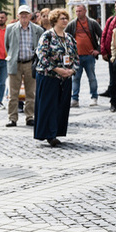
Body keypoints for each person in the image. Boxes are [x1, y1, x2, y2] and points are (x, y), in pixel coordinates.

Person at [34, 9, 77, 147]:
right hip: (49, 76)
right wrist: (57, 69)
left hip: (65, 78)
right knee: (49, 106)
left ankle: (57, 131)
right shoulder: (47, 36)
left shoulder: (69, 37)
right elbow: (42, 55)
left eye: (66, 18)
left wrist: (71, 71)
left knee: (61, 106)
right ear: (55, 20)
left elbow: (76, 56)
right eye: (62, 18)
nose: (65, 20)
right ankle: (49, 134)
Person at [4, 5, 44, 127]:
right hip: (15, 63)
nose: (24, 17)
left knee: (31, 92)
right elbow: (7, 46)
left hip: (30, 63)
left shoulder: (37, 30)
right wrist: (12, 57)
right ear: (18, 16)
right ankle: (12, 118)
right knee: (13, 93)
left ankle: (30, 117)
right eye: (22, 14)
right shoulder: (10, 28)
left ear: (30, 16)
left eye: (26, 14)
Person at [65, 4, 102, 108]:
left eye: (80, 11)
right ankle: (75, 99)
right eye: (76, 11)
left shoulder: (92, 23)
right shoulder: (72, 24)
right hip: (76, 57)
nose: (78, 13)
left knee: (92, 77)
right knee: (75, 78)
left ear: (85, 11)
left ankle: (94, 97)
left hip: (89, 56)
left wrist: (98, 50)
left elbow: (102, 36)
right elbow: (64, 36)